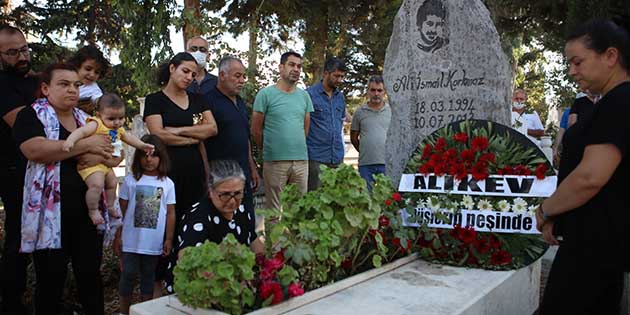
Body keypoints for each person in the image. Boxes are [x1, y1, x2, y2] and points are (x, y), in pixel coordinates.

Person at [535, 18, 630, 314]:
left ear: (611, 56)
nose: (571, 71)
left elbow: (590, 177)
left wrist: (546, 209)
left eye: (578, 62)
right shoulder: (609, 102)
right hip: (588, 243)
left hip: (594, 249)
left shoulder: (621, 101)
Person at [13, 63, 117, 315]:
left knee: (90, 277)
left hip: (88, 213)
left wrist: (99, 155)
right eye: (64, 84)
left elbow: (111, 155)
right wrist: (86, 146)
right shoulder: (32, 115)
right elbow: (35, 150)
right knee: (51, 281)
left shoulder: (89, 121)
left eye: (76, 85)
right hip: (50, 216)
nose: (72, 89)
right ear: (46, 88)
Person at [164, 160, 264, 294]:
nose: (232, 201)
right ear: (210, 191)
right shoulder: (198, 218)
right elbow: (186, 260)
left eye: (238, 193)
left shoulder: (241, 210)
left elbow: (254, 242)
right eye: (225, 194)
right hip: (199, 290)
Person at [144, 52, 217, 223]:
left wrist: (177, 131)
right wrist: (193, 138)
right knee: (164, 222)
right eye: (185, 71)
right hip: (165, 172)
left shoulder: (198, 99)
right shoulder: (155, 100)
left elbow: (212, 128)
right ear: (172, 68)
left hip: (196, 173)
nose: (189, 77)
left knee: (195, 222)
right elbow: (158, 134)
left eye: (193, 74)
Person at [63, 93, 154, 225]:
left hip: (106, 165)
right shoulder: (96, 124)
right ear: (99, 115)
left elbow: (129, 139)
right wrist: (70, 141)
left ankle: (110, 206)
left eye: (121, 118)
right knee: (97, 185)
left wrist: (142, 145)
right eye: (111, 118)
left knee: (112, 184)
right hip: (92, 166)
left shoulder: (118, 129)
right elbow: (81, 132)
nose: (117, 122)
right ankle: (93, 210)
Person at [114, 135, 175, 315]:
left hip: (153, 244)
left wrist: (169, 239)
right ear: (138, 157)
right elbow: (120, 211)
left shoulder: (167, 183)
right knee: (128, 276)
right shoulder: (130, 181)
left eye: (154, 155)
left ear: (161, 157)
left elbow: (171, 213)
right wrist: (118, 236)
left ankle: (144, 311)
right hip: (130, 243)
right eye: (144, 155)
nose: (149, 159)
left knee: (148, 279)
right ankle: (124, 312)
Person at [0, 24, 37, 315]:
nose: (21, 56)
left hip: (36, 169)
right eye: (12, 53)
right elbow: (22, 124)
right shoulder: (2, 84)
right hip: (12, 168)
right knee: (18, 238)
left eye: (24, 49)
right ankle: (12, 303)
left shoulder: (32, 79)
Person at [203, 56, 259, 234]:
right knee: (223, 223)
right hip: (220, 175)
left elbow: (245, 137)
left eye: (243, 76)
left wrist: (252, 167)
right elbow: (201, 141)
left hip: (243, 173)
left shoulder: (240, 103)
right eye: (237, 76)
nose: (242, 81)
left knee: (246, 221)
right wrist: (206, 171)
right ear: (222, 75)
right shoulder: (207, 101)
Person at [251, 51, 313, 211]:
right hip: (274, 161)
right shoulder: (265, 94)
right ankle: (273, 237)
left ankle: (296, 238)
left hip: (301, 161)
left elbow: (305, 128)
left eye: (299, 66)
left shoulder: (304, 96)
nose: (296, 69)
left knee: (298, 210)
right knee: (273, 210)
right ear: (281, 67)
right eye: (291, 65)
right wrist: (269, 149)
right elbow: (256, 129)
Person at [306, 57, 347, 191]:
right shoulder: (309, 95)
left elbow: (340, 124)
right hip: (316, 158)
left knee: (336, 200)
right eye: (336, 76)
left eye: (342, 77)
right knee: (315, 200)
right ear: (325, 74)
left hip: (337, 157)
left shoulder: (340, 97)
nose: (339, 80)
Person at [350, 75, 391, 190]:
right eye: (372, 90)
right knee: (366, 199)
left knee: (388, 197)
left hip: (387, 164)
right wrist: (365, 150)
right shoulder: (359, 112)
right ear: (367, 91)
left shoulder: (392, 111)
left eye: (379, 90)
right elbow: (354, 138)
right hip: (366, 164)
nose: (376, 93)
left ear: (384, 92)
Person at [67, 45, 110, 114]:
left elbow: (99, 100)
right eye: (88, 69)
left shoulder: (93, 88)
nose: (92, 74)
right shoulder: (64, 79)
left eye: (97, 72)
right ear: (77, 66)